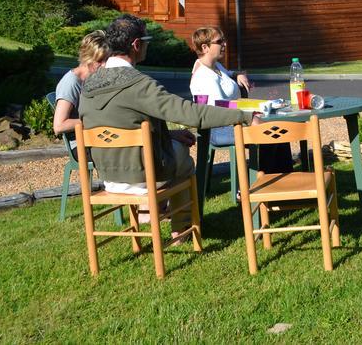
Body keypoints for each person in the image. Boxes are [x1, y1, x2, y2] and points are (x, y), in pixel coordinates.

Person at [79, 14, 258, 233]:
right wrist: (244, 116)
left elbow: (123, 125)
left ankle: (148, 215)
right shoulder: (139, 85)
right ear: (136, 45)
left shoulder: (88, 86)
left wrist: (169, 135)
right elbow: (191, 114)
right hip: (144, 175)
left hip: (109, 176)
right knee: (182, 155)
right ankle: (181, 229)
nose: (147, 46)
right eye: (146, 41)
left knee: (173, 146)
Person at [189, 26, 293, 174]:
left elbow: (227, 74)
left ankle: (284, 182)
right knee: (271, 133)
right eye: (219, 41)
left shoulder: (216, 66)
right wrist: (251, 110)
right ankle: (258, 184)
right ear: (205, 47)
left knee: (278, 132)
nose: (224, 44)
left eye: (224, 40)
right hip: (219, 129)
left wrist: (237, 74)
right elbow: (220, 107)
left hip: (233, 122)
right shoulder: (204, 77)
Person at [53, 31, 108, 137]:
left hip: (98, 137)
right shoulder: (71, 82)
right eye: (100, 60)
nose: (105, 65)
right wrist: (97, 121)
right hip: (80, 144)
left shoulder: (96, 78)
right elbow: (59, 126)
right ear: (88, 59)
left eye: (107, 59)